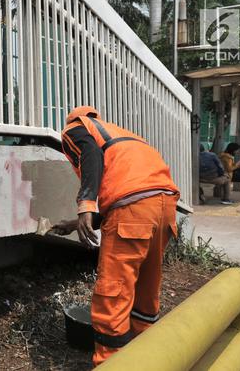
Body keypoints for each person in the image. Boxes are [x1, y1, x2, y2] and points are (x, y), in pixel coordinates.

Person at [50, 106, 179, 366]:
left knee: (113, 292)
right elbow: (131, 196)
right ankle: (147, 357)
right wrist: (77, 224)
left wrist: (86, 204)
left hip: (133, 209)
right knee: (145, 287)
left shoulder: (77, 129)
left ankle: (111, 363)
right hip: (164, 206)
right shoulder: (121, 135)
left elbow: (90, 156)